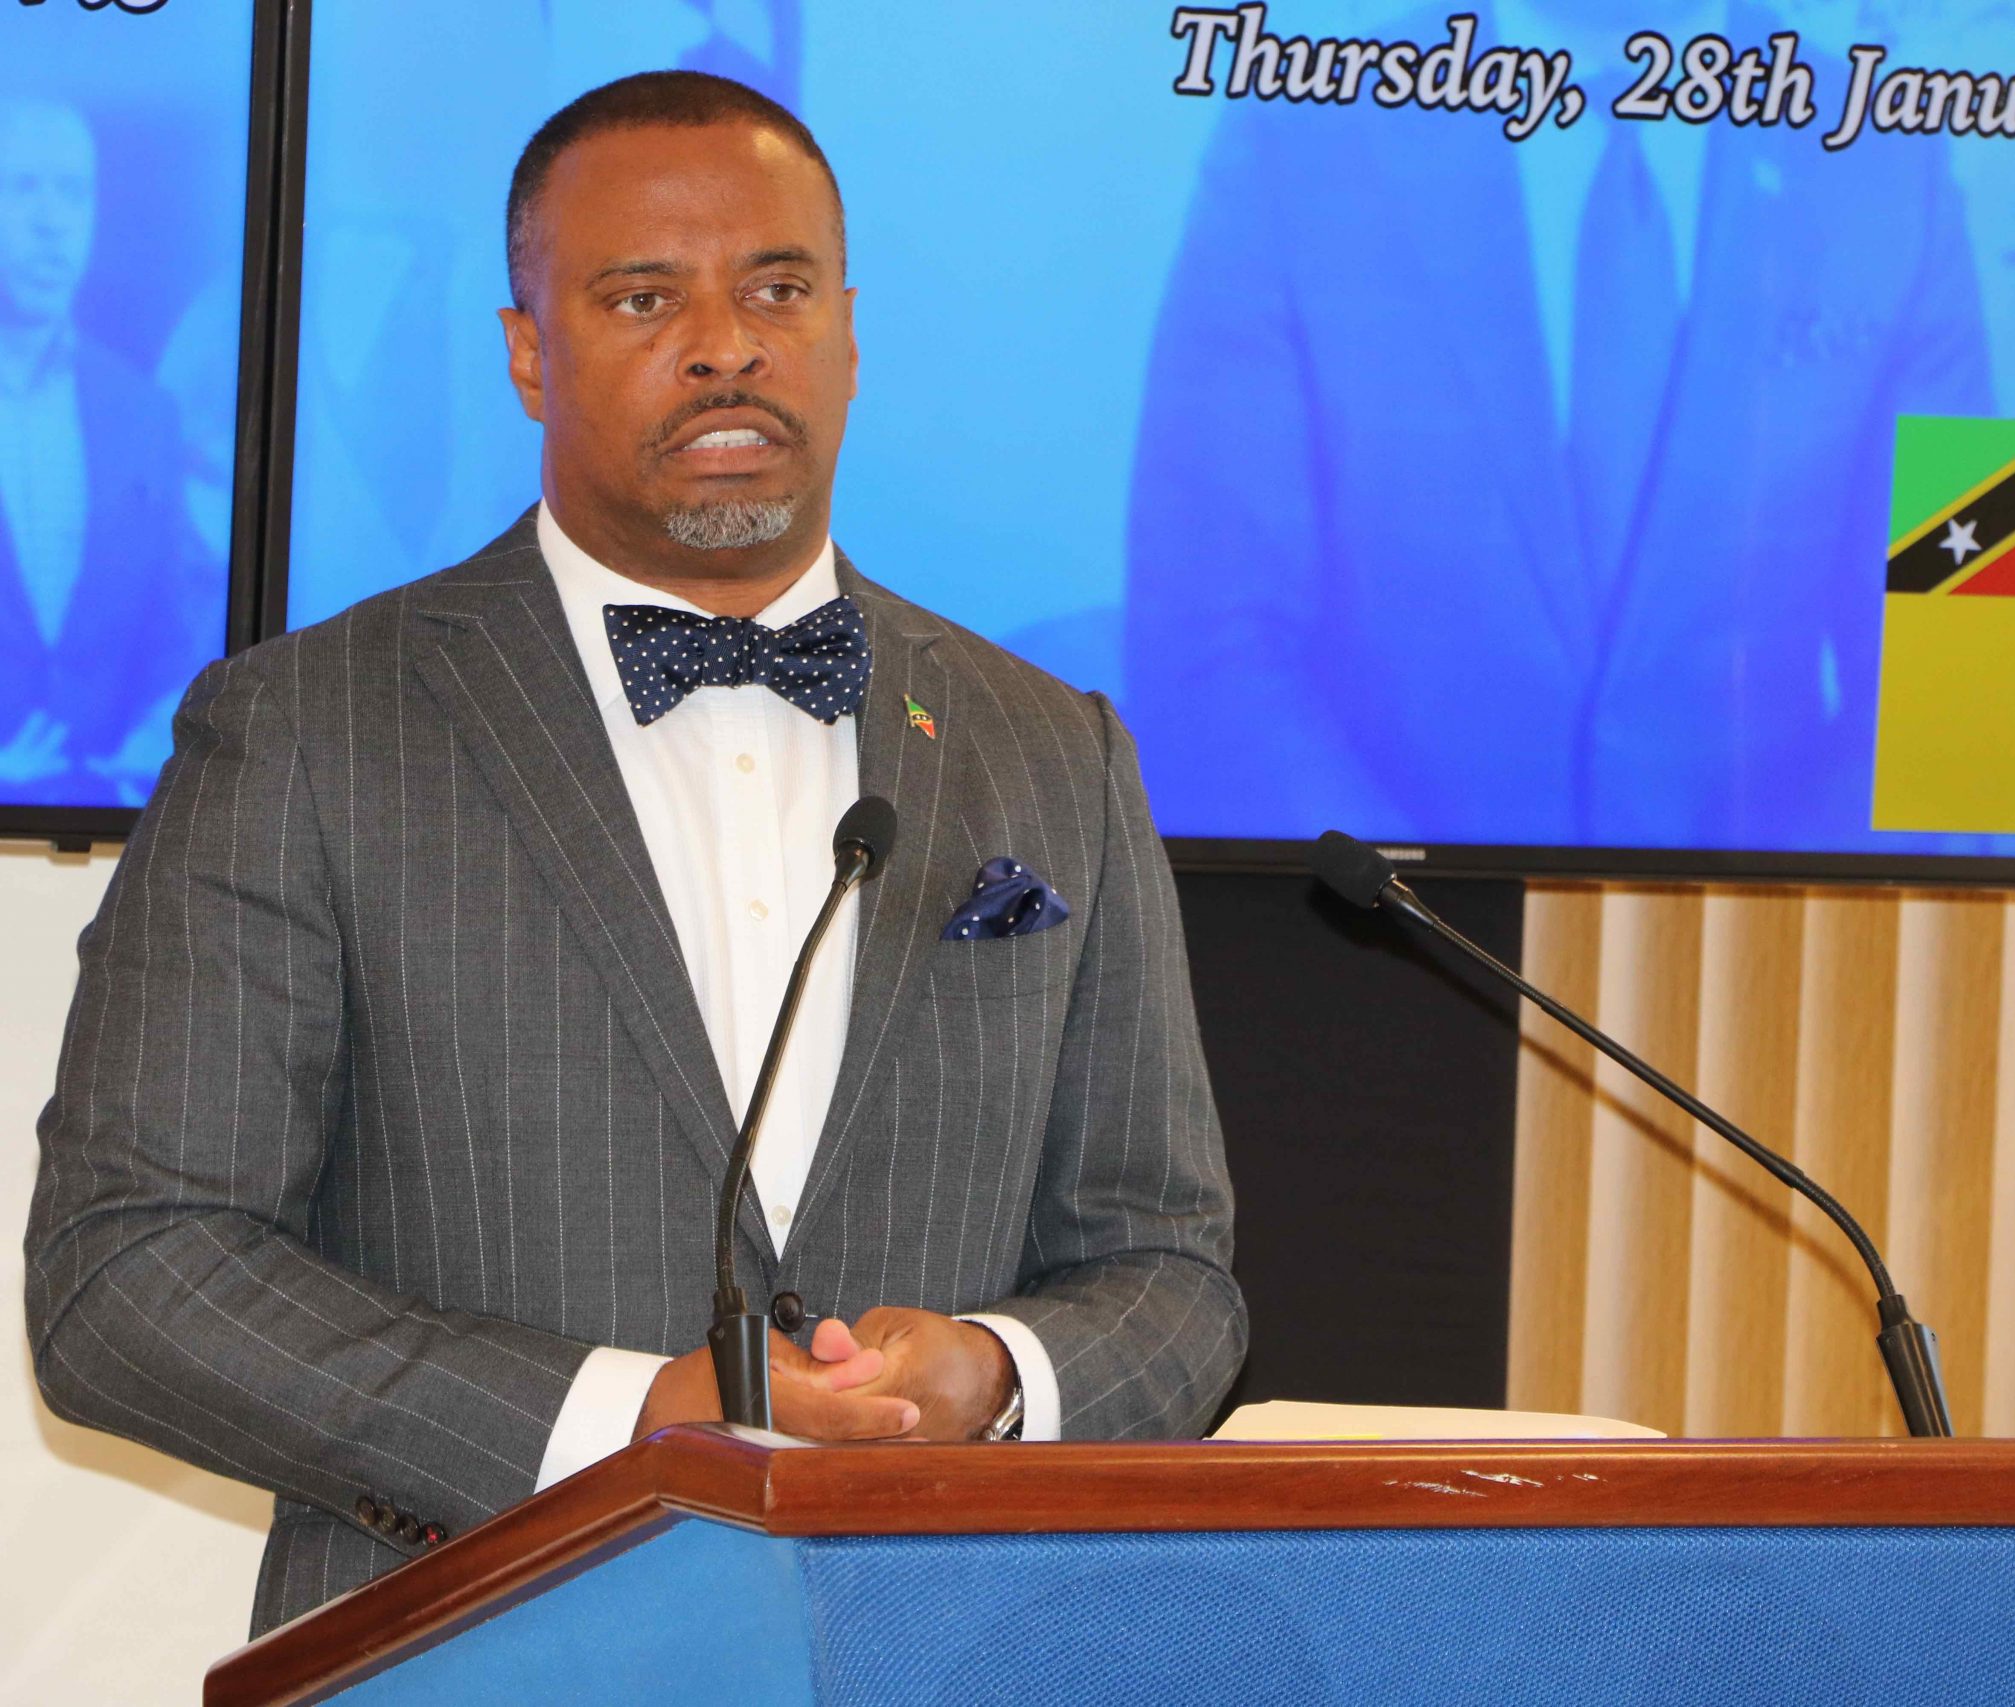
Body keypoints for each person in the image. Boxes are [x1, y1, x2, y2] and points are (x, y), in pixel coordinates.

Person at [23, 71, 1242, 1633]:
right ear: (530, 352)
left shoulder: (1049, 746)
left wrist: (1001, 1377)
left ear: (851, 334)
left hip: (935, 1656)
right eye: (643, 293)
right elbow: (127, 1274)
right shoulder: (307, 729)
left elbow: (1173, 1270)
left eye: (777, 287)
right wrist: (617, 1425)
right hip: (473, 1645)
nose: (726, 341)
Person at [1123, 0, 1992, 850]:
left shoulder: (1887, 159)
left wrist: (1771, 938)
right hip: (1384, 955)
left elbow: (1950, 658)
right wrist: (1427, 933)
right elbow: (1207, 645)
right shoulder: (1300, 144)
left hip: (1775, 953)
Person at [0, 97, 216, 804]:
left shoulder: (143, 412)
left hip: (110, 819)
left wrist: (153, 746)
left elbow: (176, 630)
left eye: (73, 192)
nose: (50, 220)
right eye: (23, 186)